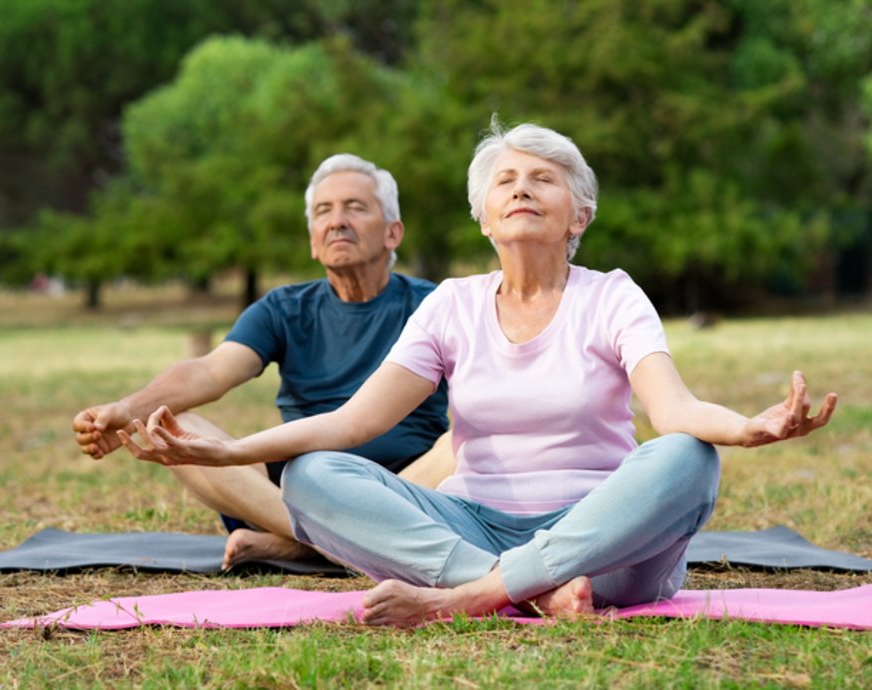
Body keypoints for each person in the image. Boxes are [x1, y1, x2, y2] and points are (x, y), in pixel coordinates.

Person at [118, 121, 837, 626]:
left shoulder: (613, 295)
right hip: (475, 528)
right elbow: (354, 423)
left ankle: (470, 597)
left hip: (604, 543)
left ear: (578, 212)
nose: (522, 188)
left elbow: (673, 411)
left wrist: (749, 427)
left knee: (687, 459)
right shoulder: (453, 305)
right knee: (313, 475)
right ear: (484, 216)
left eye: (543, 180)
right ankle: (518, 589)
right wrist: (231, 450)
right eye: (506, 180)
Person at [72, 153, 451, 569]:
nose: (337, 221)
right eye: (323, 211)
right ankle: (339, 543)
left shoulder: (436, 304)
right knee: (172, 423)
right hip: (297, 488)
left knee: (463, 444)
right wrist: (126, 410)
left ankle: (302, 546)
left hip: (408, 483)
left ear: (393, 233)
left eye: (355, 207)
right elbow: (211, 371)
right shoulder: (283, 308)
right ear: (312, 239)